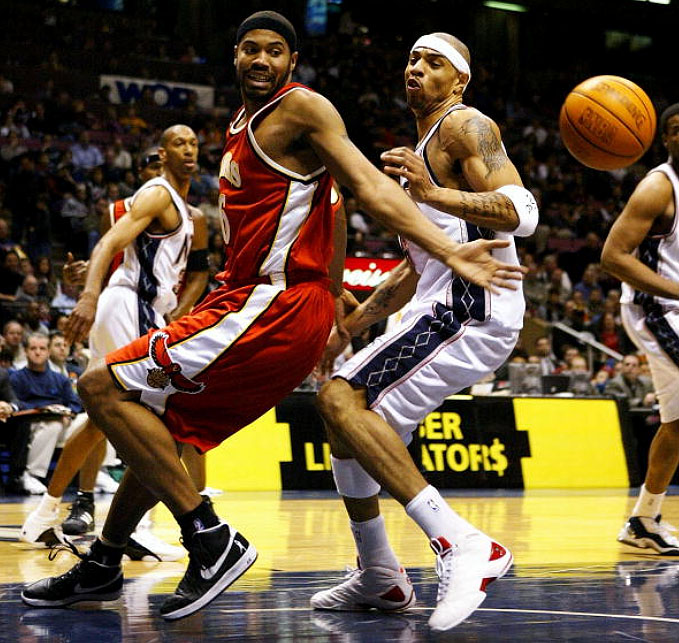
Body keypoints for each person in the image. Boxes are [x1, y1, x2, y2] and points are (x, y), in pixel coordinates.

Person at [21, 12, 523, 621]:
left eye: (275, 51)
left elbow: (373, 189)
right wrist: (349, 315)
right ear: (233, 56)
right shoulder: (247, 127)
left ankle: (213, 540)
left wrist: (440, 242)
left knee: (102, 387)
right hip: (270, 300)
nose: (261, 60)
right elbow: (342, 210)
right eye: (250, 50)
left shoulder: (319, 112)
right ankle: (374, 572)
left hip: (277, 300)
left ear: (292, 62)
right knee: (179, 425)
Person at [310, 31, 538, 632]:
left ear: (458, 80)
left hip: (473, 303)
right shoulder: (425, 141)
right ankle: (380, 573)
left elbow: (524, 211)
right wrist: (354, 323)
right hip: (440, 300)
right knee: (344, 416)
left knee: (341, 397)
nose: (416, 68)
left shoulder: (467, 125)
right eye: (411, 58)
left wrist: (434, 192)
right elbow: (419, 268)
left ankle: (463, 546)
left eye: (433, 62)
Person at [20, 138, 209, 562]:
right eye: (179, 143)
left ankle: (47, 512)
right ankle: (134, 526)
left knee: (103, 415)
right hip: (129, 307)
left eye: (194, 143)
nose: (190, 150)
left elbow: (198, 272)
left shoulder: (193, 216)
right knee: (152, 420)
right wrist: (88, 290)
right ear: (160, 156)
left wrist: (178, 312)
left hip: (138, 309)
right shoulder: (153, 195)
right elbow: (110, 249)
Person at [601, 102, 679, 555]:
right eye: (674, 130)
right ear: (664, 139)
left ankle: (643, 520)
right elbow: (613, 257)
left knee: (676, 423)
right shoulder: (657, 187)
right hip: (656, 308)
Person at [9, 333, 82, 495]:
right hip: (32, 424)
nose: (37, 352)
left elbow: (75, 402)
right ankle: (31, 474)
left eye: (42, 348)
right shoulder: (16, 378)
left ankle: (99, 472)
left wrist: (68, 413)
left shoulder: (60, 379)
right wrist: (45, 409)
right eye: (33, 348)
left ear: (48, 352)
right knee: (52, 425)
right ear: (26, 351)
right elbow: (15, 404)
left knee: (93, 422)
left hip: (63, 423)